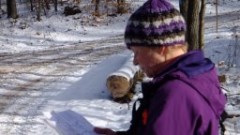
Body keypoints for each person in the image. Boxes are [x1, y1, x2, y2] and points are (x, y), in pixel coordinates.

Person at [94, 0, 227, 134]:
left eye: (137, 52)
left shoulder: (175, 94)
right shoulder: (192, 78)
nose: (135, 61)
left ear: (161, 48)